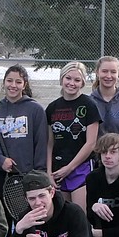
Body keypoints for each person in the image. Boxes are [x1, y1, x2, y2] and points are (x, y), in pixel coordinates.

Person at [0, 64, 49, 207]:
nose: (13, 85)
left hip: (27, 178)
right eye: (9, 81)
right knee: (1, 222)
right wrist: (1, 159)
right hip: (0, 177)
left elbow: (41, 144)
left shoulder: (36, 110)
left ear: (24, 85)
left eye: (18, 82)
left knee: (26, 223)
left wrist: (38, 176)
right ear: (4, 83)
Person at [45, 61, 101, 212]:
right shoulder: (52, 108)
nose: (72, 83)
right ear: (62, 79)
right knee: (63, 218)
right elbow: (50, 143)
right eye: (68, 78)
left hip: (80, 170)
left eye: (77, 80)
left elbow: (91, 143)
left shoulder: (89, 105)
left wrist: (70, 168)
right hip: (58, 172)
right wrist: (49, 172)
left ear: (83, 82)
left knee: (79, 218)